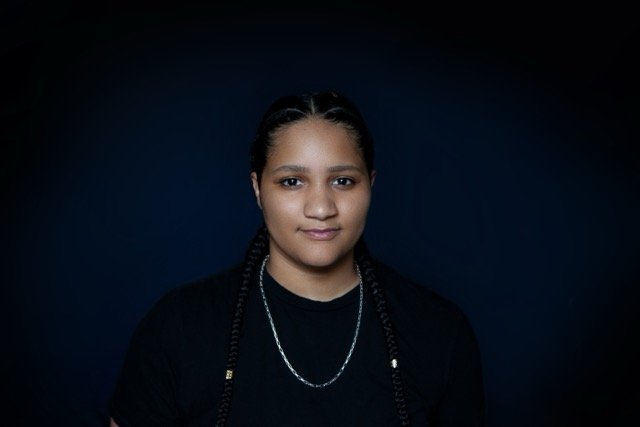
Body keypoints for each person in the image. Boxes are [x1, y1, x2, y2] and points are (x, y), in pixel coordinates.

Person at [108, 90, 486, 426]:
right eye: (292, 181)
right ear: (258, 188)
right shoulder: (178, 328)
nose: (320, 208)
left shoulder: (439, 331)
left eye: (342, 181)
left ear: (371, 184)